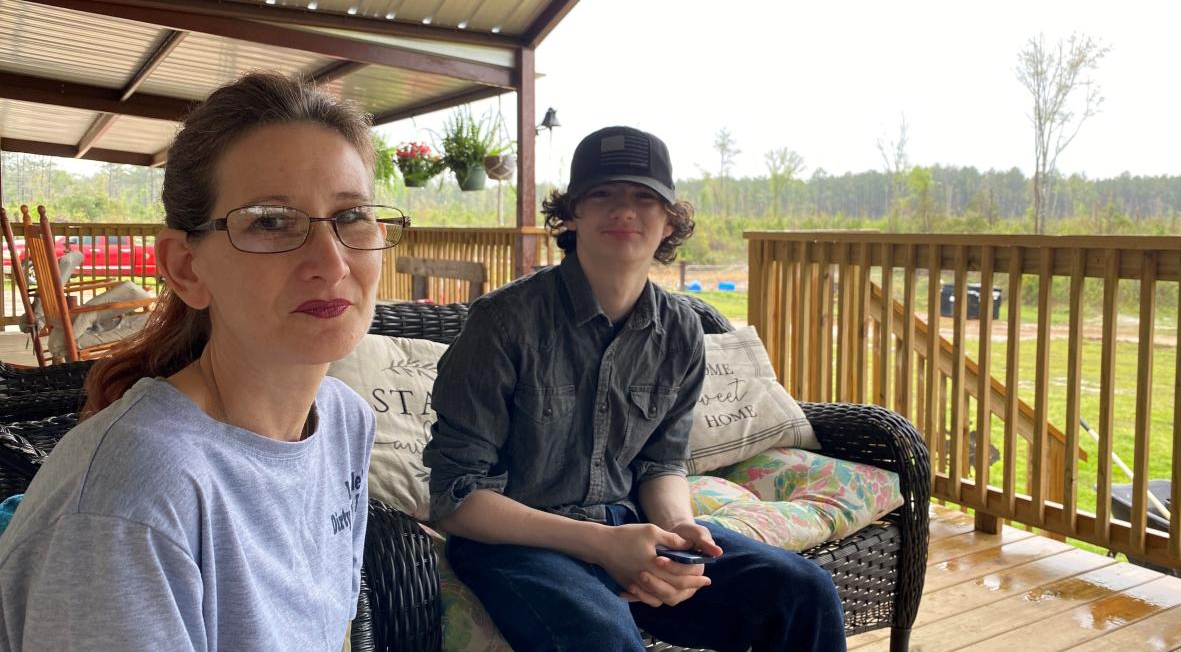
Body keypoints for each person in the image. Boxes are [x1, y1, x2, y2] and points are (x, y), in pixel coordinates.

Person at [0, 72, 406, 650]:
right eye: (270, 220)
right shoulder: (132, 502)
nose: (332, 263)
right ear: (186, 268)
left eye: (352, 216)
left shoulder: (343, 420)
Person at [424, 126, 846, 651]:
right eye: (602, 194)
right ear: (572, 214)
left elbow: (660, 462)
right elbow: (455, 498)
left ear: (669, 219)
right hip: (517, 541)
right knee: (602, 638)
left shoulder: (681, 329)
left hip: (629, 524)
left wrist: (679, 532)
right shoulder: (504, 323)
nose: (624, 209)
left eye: (644, 196)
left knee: (802, 591)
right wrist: (602, 545)